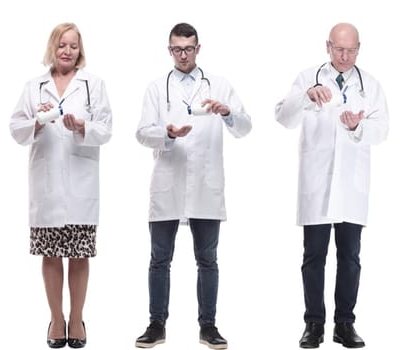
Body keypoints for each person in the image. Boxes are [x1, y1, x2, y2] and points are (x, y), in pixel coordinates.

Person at [133, 22, 251, 350]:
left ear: (198, 49)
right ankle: (157, 324)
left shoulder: (220, 85)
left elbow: (245, 127)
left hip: (205, 185)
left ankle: (208, 327)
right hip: (167, 183)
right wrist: (168, 133)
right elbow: (142, 133)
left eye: (188, 48)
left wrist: (227, 112)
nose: (183, 54)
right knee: (159, 258)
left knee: (208, 259)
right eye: (176, 49)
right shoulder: (157, 88)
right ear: (169, 50)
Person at [275, 22, 387, 350]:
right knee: (314, 257)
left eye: (351, 50)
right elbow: (283, 117)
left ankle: (345, 324)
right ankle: (314, 324)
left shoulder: (372, 85)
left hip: (352, 187)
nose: (345, 56)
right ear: (328, 45)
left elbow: (383, 129)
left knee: (350, 257)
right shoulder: (308, 77)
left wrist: (358, 126)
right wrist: (306, 98)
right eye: (339, 49)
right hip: (317, 184)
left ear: (358, 48)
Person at [9, 22, 112, 349]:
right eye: (61, 45)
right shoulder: (34, 86)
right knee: (51, 255)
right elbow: (16, 128)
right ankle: (56, 319)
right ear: (52, 47)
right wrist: (38, 122)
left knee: (79, 255)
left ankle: (77, 318)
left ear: (80, 50)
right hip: (47, 184)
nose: (67, 51)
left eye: (73, 45)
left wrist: (82, 126)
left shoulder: (93, 85)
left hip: (81, 182)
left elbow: (106, 129)